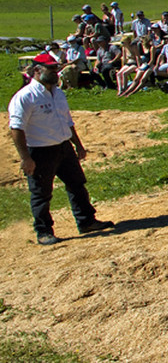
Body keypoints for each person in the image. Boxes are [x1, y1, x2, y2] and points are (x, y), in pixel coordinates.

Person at [9, 53, 115, 245]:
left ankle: (86, 221)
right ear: (37, 71)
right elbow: (16, 128)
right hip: (40, 151)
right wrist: (25, 158)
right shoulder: (25, 97)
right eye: (51, 69)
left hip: (63, 147)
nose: (56, 72)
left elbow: (67, 121)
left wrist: (78, 145)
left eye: (56, 68)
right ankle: (43, 232)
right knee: (41, 193)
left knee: (77, 184)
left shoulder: (58, 93)